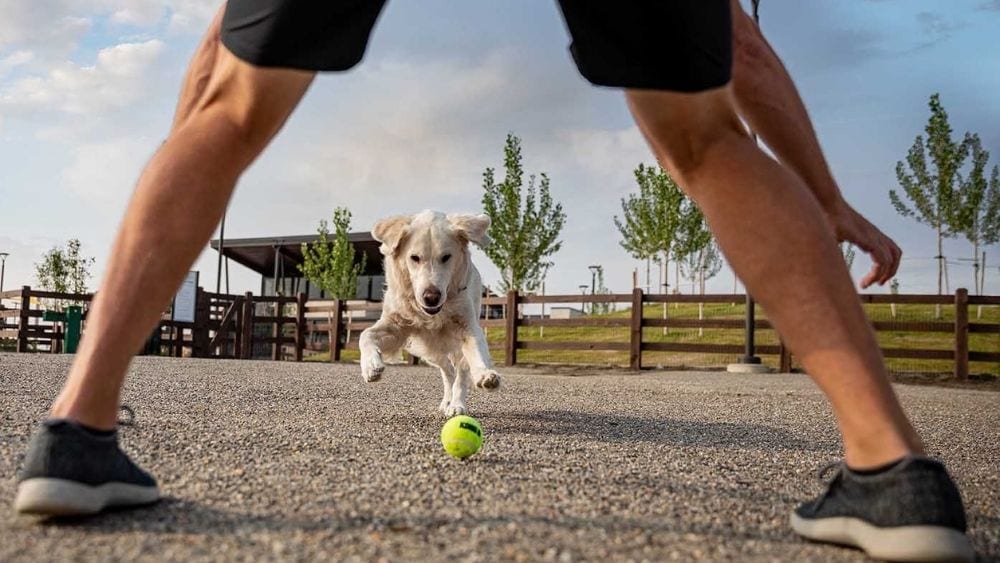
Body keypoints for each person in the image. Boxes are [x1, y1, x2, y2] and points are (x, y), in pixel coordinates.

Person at [14, 2, 972, 561]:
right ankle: (892, 471)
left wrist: (181, 144)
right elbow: (746, 52)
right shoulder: (412, 265)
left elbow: (219, 65)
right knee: (705, 133)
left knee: (231, 108)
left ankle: (78, 432)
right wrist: (828, 196)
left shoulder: (452, 266)